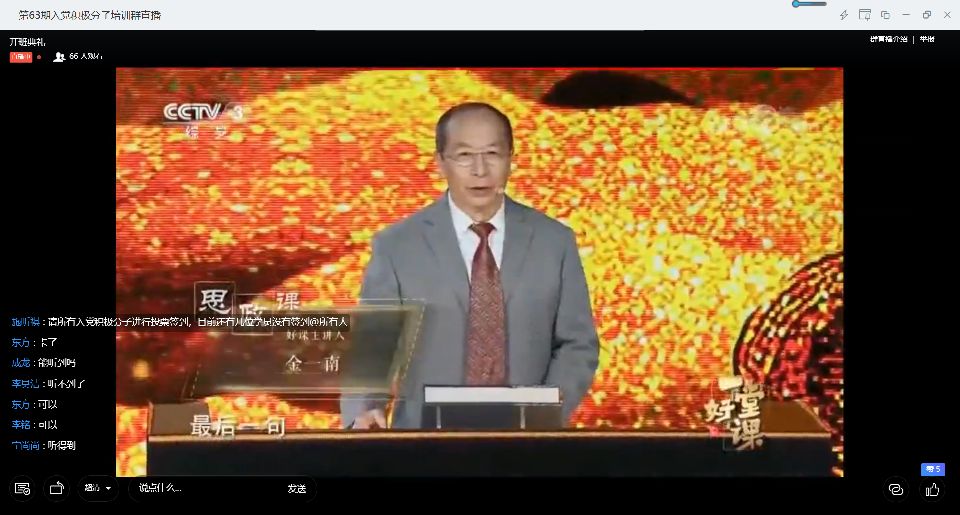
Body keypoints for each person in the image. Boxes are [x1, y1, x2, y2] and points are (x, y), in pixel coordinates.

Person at [341, 102, 599, 429]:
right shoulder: (397, 246)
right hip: (423, 443)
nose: (480, 170)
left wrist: (544, 412)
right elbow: (371, 349)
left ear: (510, 159)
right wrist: (363, 411)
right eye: (464, 155)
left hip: (527, 443)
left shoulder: (554, 242)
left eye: (492, 154)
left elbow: (577, 344)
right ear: (440, 162)